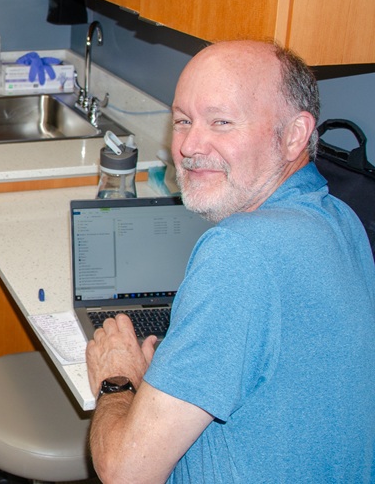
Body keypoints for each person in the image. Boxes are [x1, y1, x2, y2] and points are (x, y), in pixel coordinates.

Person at [85, 40, 375, 483]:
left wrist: (117, 381)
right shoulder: (342, 218)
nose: (189, 145)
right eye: (183, 120)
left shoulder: (240, 250)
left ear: (295, 134)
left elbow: (126, 472)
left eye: (222, 122)